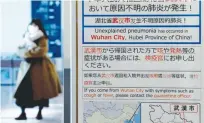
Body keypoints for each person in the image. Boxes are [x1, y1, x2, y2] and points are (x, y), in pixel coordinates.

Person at [14, 19, 62, 120]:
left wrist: (28, 53)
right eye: (31, 25)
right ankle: (23, 113)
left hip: (40, 68)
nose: (32, 27)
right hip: (26, 67)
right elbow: (20, 48)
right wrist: (23, 52)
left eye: (35, 25)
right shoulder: (26, 37)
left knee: (41, 91)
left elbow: (42, 51)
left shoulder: (42, 38)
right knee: (22, 91)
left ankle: (39, 112)